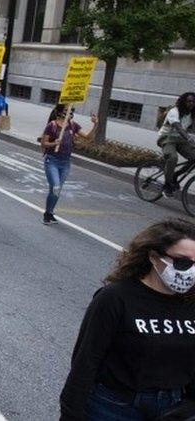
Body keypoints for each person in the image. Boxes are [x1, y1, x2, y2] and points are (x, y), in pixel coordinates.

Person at [59, 218, 195, 420]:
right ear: (153, 256)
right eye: (183, 262)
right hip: (113, 407)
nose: (191, 270)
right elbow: (86, 360)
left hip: (172, 409)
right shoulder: (115, 298)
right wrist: (70, 414)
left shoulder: (191, 303)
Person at [39, 104, 98, 225]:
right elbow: (43, 143)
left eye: (72, 110)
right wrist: (54, 143)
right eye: (67, 111)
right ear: (60, 112)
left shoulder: (73, 125)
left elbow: (88, 137)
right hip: (52, 161)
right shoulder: (52, 125)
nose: (70, 113)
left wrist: (95, 124)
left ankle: (49, 212)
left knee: (57, 190)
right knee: (55, 187)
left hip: (65, 163)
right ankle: (47, 215)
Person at [158, 92, 195, 197]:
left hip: (181, 140)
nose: (191, 103)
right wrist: (189, 138)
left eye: (193, 101)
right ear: (183, 102)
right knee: (173, 158)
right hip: (167, 138)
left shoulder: (192, 114)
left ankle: (174, 176)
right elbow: (178, 127)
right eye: (188, 101)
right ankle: (167, 184)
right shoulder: (174, 111)